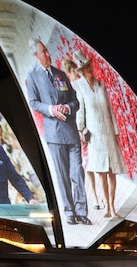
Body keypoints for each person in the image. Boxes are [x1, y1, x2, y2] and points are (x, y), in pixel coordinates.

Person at [25, 39, 90, 225]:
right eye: (43, 52)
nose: (47, 54)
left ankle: (81, 211)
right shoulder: (32, 76)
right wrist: (52, 109)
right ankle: (69, 212)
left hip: (70, 132)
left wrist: (67, 108)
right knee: (62, 175)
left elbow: (75, 101)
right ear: (36, 55)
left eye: (47, 51)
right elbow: (34, 103)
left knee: (77, 173)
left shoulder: (61, 74)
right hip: (54, 135)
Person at [72, 49, 126, 219]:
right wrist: (81, 129)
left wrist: (116, 131)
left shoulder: (101, 84)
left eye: (90, 65)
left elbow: (110, 110)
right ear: (81, 69)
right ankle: (106, 207)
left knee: (112, 171)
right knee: (101, 171)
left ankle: (112, 206)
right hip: (94, 135)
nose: (90, 68)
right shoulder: (79, 86)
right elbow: (80, 110)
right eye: (86, 67)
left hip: (108, 131)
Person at [63, 56, 103, 212]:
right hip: (78, 133)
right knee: (89, 167)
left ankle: (101, 196)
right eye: (71, 70)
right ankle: (94, 197)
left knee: (97, 164)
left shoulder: (83, 85)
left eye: (75, 69)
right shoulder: (68, 90)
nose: (74, 72)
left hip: (90, 129)